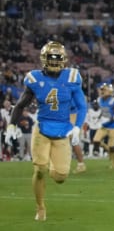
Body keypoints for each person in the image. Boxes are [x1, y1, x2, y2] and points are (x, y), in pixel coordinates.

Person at [4, 41, 87, 221]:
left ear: (64, 59)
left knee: (60, 176)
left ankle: (49, 164)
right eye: (52, 57)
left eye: (58, 57)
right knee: (40, 169)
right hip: (41, 129)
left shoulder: (72, 78)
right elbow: (20, 105)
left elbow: (82, 106)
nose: (55, 61)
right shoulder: (35, 79)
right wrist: (11, 125)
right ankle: (40, 207)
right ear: (44, 58)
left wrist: (77, 127)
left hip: (63, 132)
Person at [93, 83, 114, 168]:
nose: (102, 91)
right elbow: (103, 111)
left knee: (112, 146)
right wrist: (99, 118)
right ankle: (108, 150)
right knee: (96, 140)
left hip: (113, 125)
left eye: (104, 90)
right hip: (104, 125)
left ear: (109, 91)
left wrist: (107, 121)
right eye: (102, 90)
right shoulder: (99, 100)